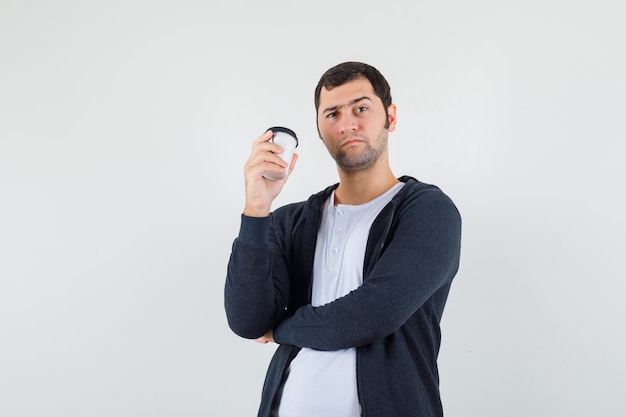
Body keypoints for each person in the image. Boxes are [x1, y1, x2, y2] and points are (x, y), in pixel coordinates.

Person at [224, 61, 462, 417]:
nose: (347, 123)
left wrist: (283, 329)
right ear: (320, 130)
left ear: (390, 117)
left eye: (361, 108)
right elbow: (248, 321)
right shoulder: (289, 221)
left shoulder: (428, 211)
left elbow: (374, 313)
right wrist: (256, 209)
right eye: (332, 113)